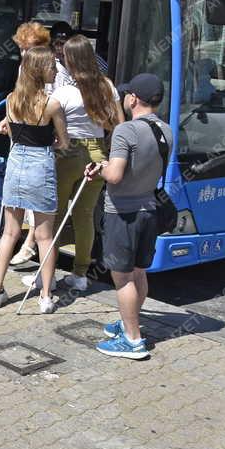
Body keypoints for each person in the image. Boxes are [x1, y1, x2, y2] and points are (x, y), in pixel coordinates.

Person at [84, 73, 171, 360]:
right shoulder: (165, 130)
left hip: (123, 213)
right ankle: (128, 321)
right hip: (149, 211)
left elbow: (117, 175)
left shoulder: (126, 132)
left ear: (133, 98)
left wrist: (100, 166)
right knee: (139, 272)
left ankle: (132, 340)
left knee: (123, 279)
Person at [0, 46, 69, 314]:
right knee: (45, 236)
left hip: (16, 163)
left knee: (9, 232)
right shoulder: (51, 103)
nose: (55, 69)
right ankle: (46, 296)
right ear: (40, 70)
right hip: (41, 164)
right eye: (51, 65)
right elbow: (63, 141)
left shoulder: (12, 99)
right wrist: (53, 143)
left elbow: (11, 132)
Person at [48, 35, 124, 291]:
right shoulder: (108, 87)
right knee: (85, 215)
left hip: (68, 152)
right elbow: (120, 125)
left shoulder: (64, 92)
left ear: (71, 60)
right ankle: (80, 274)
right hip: (98, 152)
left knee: (54, 214)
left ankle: (45, 274)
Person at [8, 21, 54, 266]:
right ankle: (26, 242)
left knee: (35, 202)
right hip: (25, 137)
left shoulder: (44, 69)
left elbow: (48, 103)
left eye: (26, 48)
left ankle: (29, 244)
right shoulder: (25, 67)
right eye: (21, 48)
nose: (22, 53)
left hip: (36, 143)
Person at [50, 21, 110, 89]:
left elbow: (107, 74)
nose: (58, 48)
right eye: (55, 44)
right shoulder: (52, 62)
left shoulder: (90, 57)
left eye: (62, 44)